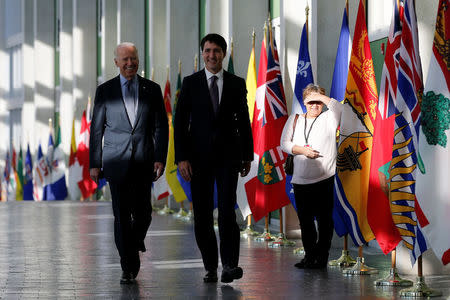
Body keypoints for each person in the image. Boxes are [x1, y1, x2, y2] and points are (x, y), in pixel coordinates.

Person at [174, 33, 253, 283]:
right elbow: (180, 123)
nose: (212, 55)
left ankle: (229, 265)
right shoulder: (190, 83)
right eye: (207, 51)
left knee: (228, 213)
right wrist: (181, 158)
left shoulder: (236, 83)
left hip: (229, 158)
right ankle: (210, 265)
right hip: (197, 160)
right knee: (203, 216)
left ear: (223, 54)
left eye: (217, 51)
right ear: (202, 54)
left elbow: (244, 120)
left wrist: (247, 155)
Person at [89, 42, 168, 284]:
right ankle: (128, 266)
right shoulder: (105, 91)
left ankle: (131, 245)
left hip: (144, 160)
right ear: (116, 62)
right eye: (125, 59)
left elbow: (160, 126)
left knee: (144, 213)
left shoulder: (152, 89)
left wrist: (159, 158)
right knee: (122, 215)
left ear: (138, 60)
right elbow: (96, 130)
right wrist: (94, 162)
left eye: (133, 58)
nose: (130, 63)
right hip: (115, 162)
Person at [280, 84, 342, 269]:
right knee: (305, 221)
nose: (315, 105)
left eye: (318, 101)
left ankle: (322, 257)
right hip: (300, 179)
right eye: (311, 101)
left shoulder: (329, 117)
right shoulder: (295, 119)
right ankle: (309, 256)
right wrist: (302, 151)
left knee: (324, 220)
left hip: (325, 178)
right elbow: (284, 143)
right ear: (304, 102)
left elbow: (340, 108)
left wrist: (321, 97)